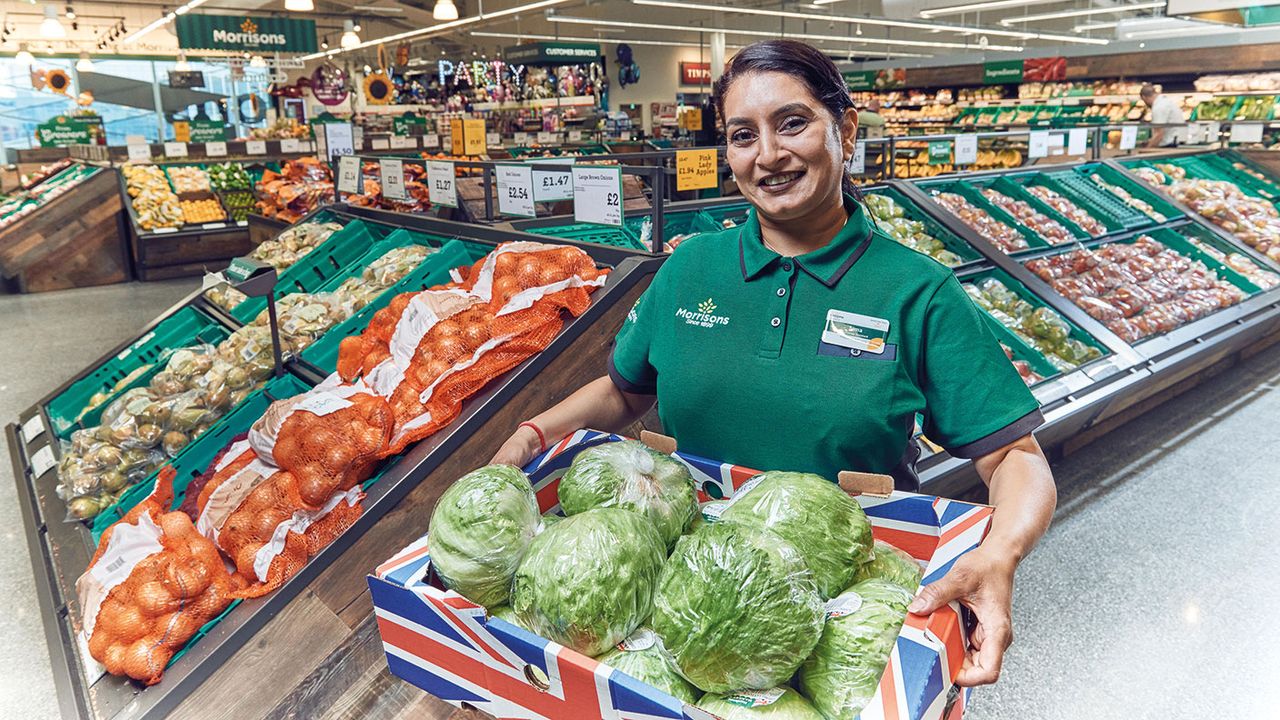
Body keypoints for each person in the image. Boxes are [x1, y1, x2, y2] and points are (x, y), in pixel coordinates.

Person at [492, 39, 1056, 687]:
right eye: (742, 135)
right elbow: (624, 391)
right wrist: (532, 433)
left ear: (843, 127)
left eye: (792, 123)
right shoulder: (690, 268)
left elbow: (1014, 457)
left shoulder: (917, 291)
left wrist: (1001, 555)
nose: (768, 156)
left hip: (841, 612)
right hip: (687, 598)